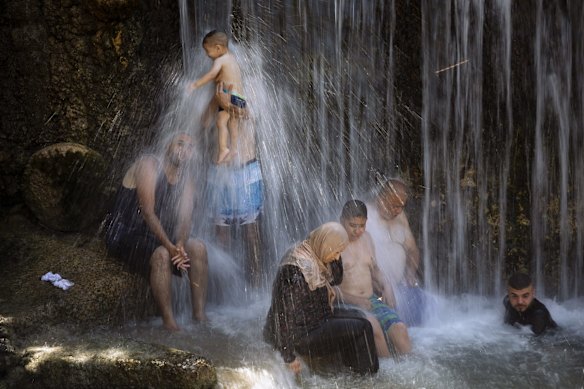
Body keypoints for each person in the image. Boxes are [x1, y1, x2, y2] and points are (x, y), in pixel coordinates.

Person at [105, 133, 208, 331]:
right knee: (161, 255)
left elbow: (185, 219)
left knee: (198, 248)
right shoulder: (149, 165)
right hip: (126, 231)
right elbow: (148, 212)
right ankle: (170, 324)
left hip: (156, 235)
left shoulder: (187, 179)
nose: (184, 150)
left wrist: (179, 243)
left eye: (189, 147)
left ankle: (200, 317)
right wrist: (170, 248)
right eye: (180, 143)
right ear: (168, 144)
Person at [263, 222, 379, 375]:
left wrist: (334, 256)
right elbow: (283, 314)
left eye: (340, 253)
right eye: (336, 252)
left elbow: (336, 280)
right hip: (301, 335)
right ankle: (368, 379)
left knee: (360, 317)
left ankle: (353, 371)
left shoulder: (316, 251)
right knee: (362, 328)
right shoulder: (296, 269)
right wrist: (288, 356)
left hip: (317, 318)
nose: (337, 257)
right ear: (326, 244)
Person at [336, 200, 412, 356]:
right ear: (341, 220)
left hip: (372, 301)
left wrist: (387, 285)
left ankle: (413, 371)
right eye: (353, 225)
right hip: (345, 304)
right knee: (374, 327)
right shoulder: (334, 244)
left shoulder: (367, 238)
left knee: (400, 329)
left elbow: (375, 269)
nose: (358, 231)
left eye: (362, 226)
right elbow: (326, 287)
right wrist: (356, 301)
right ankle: (390, 374)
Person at [208, 82, 263, 288]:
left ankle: (256, 287)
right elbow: (203, 122)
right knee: (221, 236)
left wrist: (229, 99)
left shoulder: (245, 95)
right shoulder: (210, 99)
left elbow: (250, 112)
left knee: (251, 232)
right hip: (219, 175)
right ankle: (225, 290)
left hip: (246, 172)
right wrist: (215, 99)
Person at [367, 178, 425, 326]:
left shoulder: (400, 217)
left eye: (401, 206)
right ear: (381, 198)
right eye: (393, 206)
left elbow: (412, 250)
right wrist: (379, 284)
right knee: (393, 322)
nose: (398, 211)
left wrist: (410, 273)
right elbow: (355, 260)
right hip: (376, 293)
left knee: (427, 307)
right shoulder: (364, 217)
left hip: (401, 288)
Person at [190, 30, 246, 164]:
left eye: (208, 52)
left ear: (218, 48)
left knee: (221, 122)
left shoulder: (221, 61)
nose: (207, 56)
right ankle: (232, 149)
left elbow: (247, 114)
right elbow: (203, 123)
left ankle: (224, 150)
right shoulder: (233, 61)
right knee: (231, 123)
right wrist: (219, 100)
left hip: (247, 169)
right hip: (237, 97)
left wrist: (195, 85)